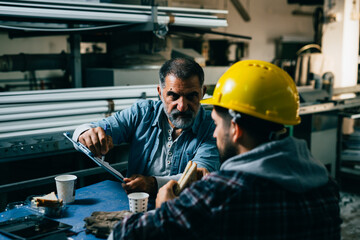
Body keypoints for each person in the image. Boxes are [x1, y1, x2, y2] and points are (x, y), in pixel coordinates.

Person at [109, 60, 341, 239]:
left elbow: (125, 235)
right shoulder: (326, 186)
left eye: (218, 125)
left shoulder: (219, 194)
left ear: (236, 128)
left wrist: (167, 209)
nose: (214, 133)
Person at [72, 57, 219, 195]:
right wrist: (84, 133)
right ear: (160, 93)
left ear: (202, 92)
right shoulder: (142, 113)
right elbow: (93, 129)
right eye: (173, 96)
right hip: (135, 208)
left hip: (181, 212)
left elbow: (200, 175)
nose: (182, 107)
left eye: (191, 96)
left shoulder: (212, 127)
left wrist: (153, 184)